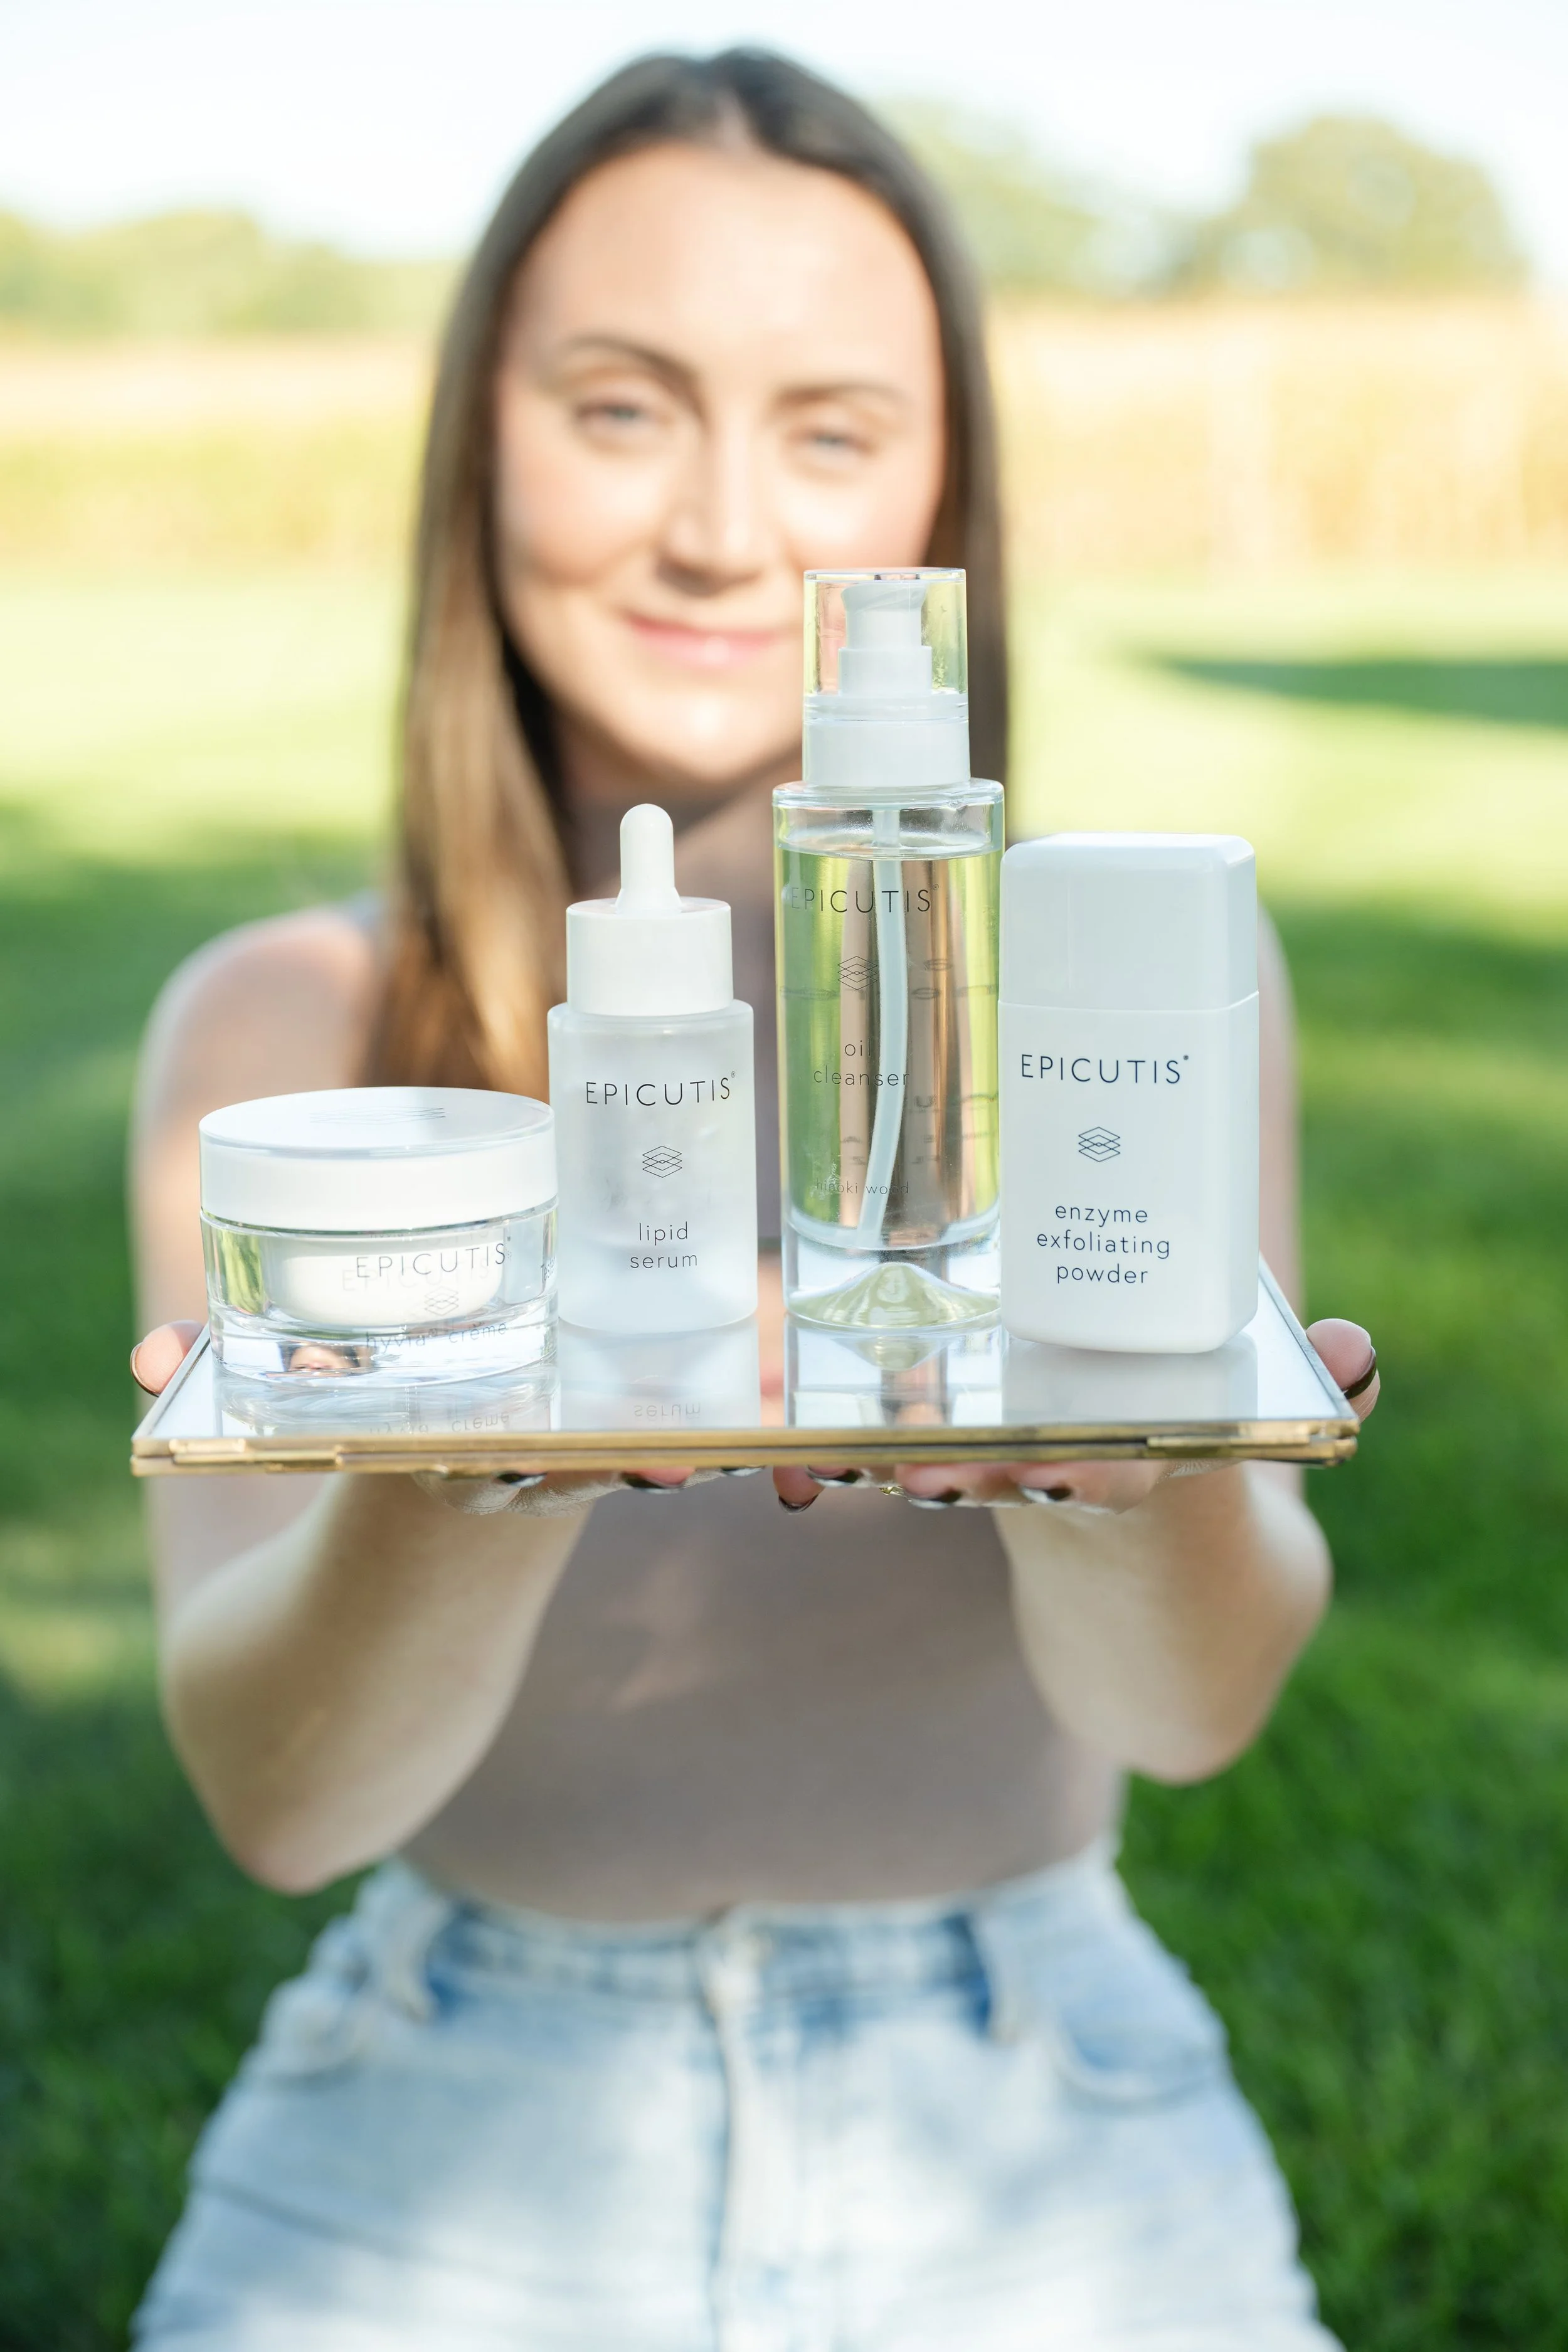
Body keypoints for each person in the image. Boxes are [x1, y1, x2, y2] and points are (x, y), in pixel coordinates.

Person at [127, 50, 1379, 2352]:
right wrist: (454, 1479)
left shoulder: (1125, 983)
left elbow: (1188, 1713)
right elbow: (281, 1808)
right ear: (479, 436)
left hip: (1038, 2100)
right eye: (620, 408)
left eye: (827, 428)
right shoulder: (280, 1039)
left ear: (941, 490)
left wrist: (1138, 1485)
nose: (720, 528)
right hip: (445, 2117)